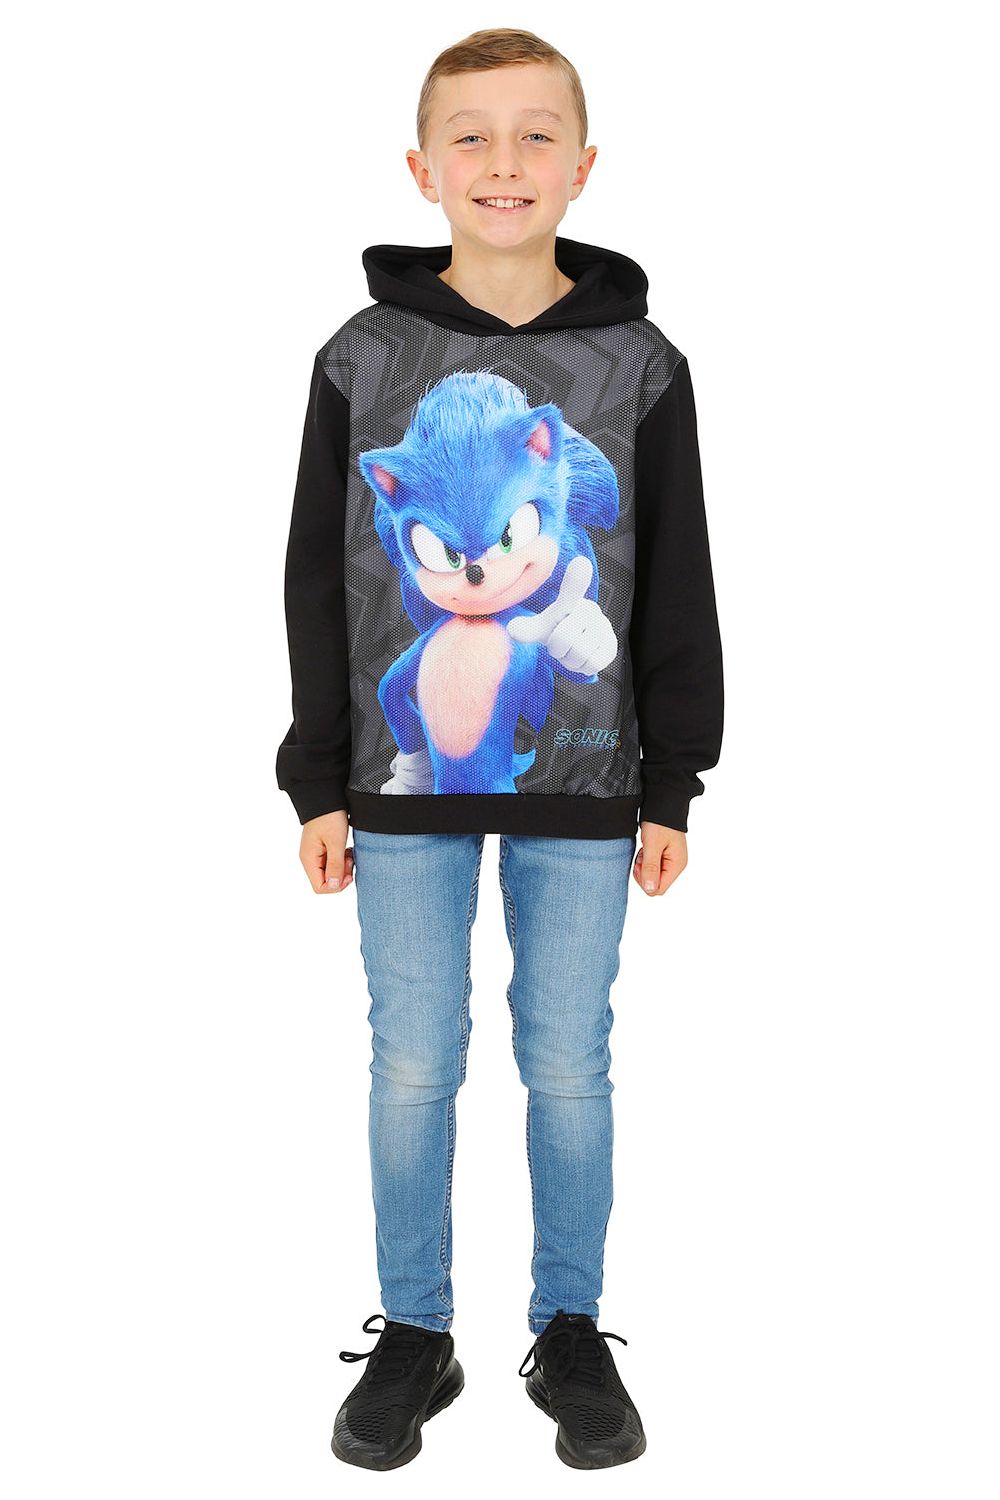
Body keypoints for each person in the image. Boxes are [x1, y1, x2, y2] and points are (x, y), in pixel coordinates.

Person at [276, 27, 724, 1472]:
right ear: (422, 169)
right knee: (413, 1061)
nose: (505, 162)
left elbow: (677, 575)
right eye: (471, 136)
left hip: (589, 778)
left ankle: (570, 1327)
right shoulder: (361, 357)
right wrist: (317, 775)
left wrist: (674, 778)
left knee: (567, 1059)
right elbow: (316, 574)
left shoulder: (639, 364)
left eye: (537, 135)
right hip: (397, 779)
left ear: (584, 165)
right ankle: (417, 1332)